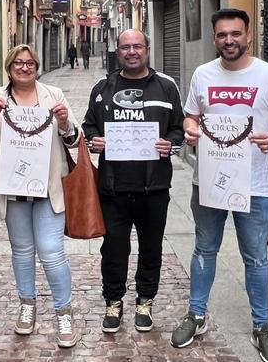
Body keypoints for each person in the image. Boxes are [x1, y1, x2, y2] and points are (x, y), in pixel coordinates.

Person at [172, 8, 268, 362]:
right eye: (223, 35)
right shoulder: (202, 74)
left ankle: (261, 326)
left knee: (256, 257)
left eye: (236, 34)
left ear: (248, 36)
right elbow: (191, 115)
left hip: (255, 184)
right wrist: (190, 128)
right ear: (215, 39)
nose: (229, 40)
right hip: (209, 181)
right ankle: (197, 315)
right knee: (204, 249)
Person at [0, 44, 82, 348]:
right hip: (13, 188)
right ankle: (27, 305)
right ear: (9, 67)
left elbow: (74, 138)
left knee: (51, 251)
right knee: (21, 250)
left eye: (30, 62)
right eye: (18, 63)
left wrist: (64, 123)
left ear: (37, 66)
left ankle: (64, 312)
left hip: (47, 188)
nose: (24, 67)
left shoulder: (53, 95)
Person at [81, 29, 184, 333]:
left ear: (147, 49)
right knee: (113, 250)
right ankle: (113, 302)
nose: (131, 52)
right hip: (113, 188)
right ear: (118, 51)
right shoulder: (103, 87)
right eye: (125, 47)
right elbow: (88, 125)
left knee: (151, 248)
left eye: (137, 46)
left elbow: (178, 128)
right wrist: (93, 140)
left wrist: (171, 144)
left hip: (154, 188)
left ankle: (145, 301)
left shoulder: (166, 87)